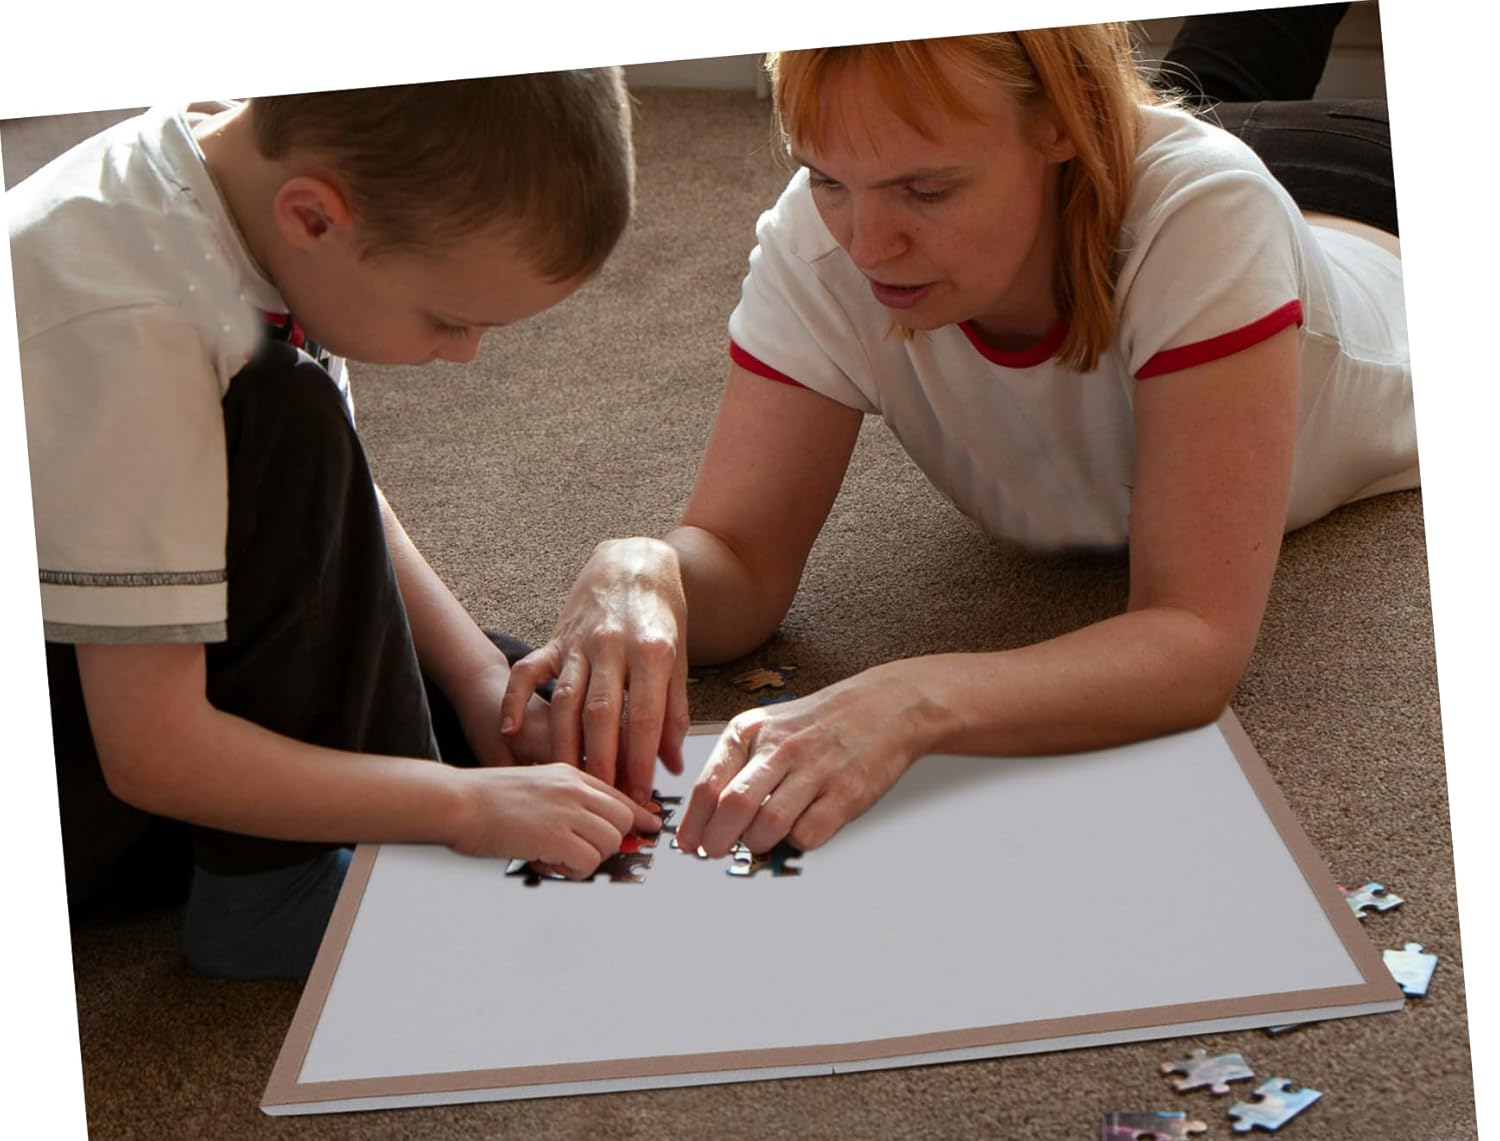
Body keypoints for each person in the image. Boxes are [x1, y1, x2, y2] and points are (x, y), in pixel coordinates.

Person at [498, 11, 1414, 864]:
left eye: (925, 190)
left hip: (1368, 198)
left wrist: (906, 702)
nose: (867, 246)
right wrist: (644, 566)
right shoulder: (821, 237)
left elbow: (1194, 640)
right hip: (1115, 164)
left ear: (1064, 124)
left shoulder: (1207, 216)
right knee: (1222, 73)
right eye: (828, 178)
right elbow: (740, 558)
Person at [12, 74, 661, 980]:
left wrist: (479, 677)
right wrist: (462, 809)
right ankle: (271, 888)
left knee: (502, 696)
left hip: (103, 652)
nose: (466, 354)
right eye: (450, 320)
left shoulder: (251, 194)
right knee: (288, 413)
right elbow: (150, 753)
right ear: (313, 217)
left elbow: (333, 499)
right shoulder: (130, 323)